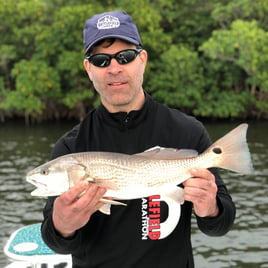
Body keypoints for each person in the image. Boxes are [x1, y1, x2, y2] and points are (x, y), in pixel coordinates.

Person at [41, 10, 236, 268]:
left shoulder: (187, 131)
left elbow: (219, 226)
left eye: (125, 57)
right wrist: (62, 225)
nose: (114, 68)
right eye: (101, 60)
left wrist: (210, 207)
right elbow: (57, 241)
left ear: (142, 59)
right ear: (88, 69)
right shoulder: (71, 148)